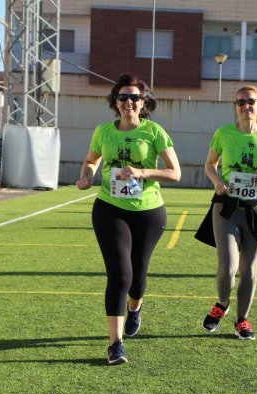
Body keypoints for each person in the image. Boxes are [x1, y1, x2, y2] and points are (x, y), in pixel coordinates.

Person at [76, 73, 181, 365]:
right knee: (120, 274)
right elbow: (91, 161)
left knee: (137, 279)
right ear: (115, 101)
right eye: (123, 97)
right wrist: (86, 176)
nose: (128, 102)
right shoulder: (103, 132)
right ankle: (115, 343)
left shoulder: (154, 132)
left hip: (148, 212)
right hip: (110, 208)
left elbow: (175, 173)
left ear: (144, 101)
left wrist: (142, 172)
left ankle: (135, 309)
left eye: (134, 97)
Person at [195, 85, 257, 340]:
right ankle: (222, 304)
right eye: (241, 102)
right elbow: (210, 164)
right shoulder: (224, 134)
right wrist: (216, 181)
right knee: (228, 266)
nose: (246, 106)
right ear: (236, 107)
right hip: (227, 206)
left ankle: (242, 320)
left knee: (249, 269)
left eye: (251, 102)